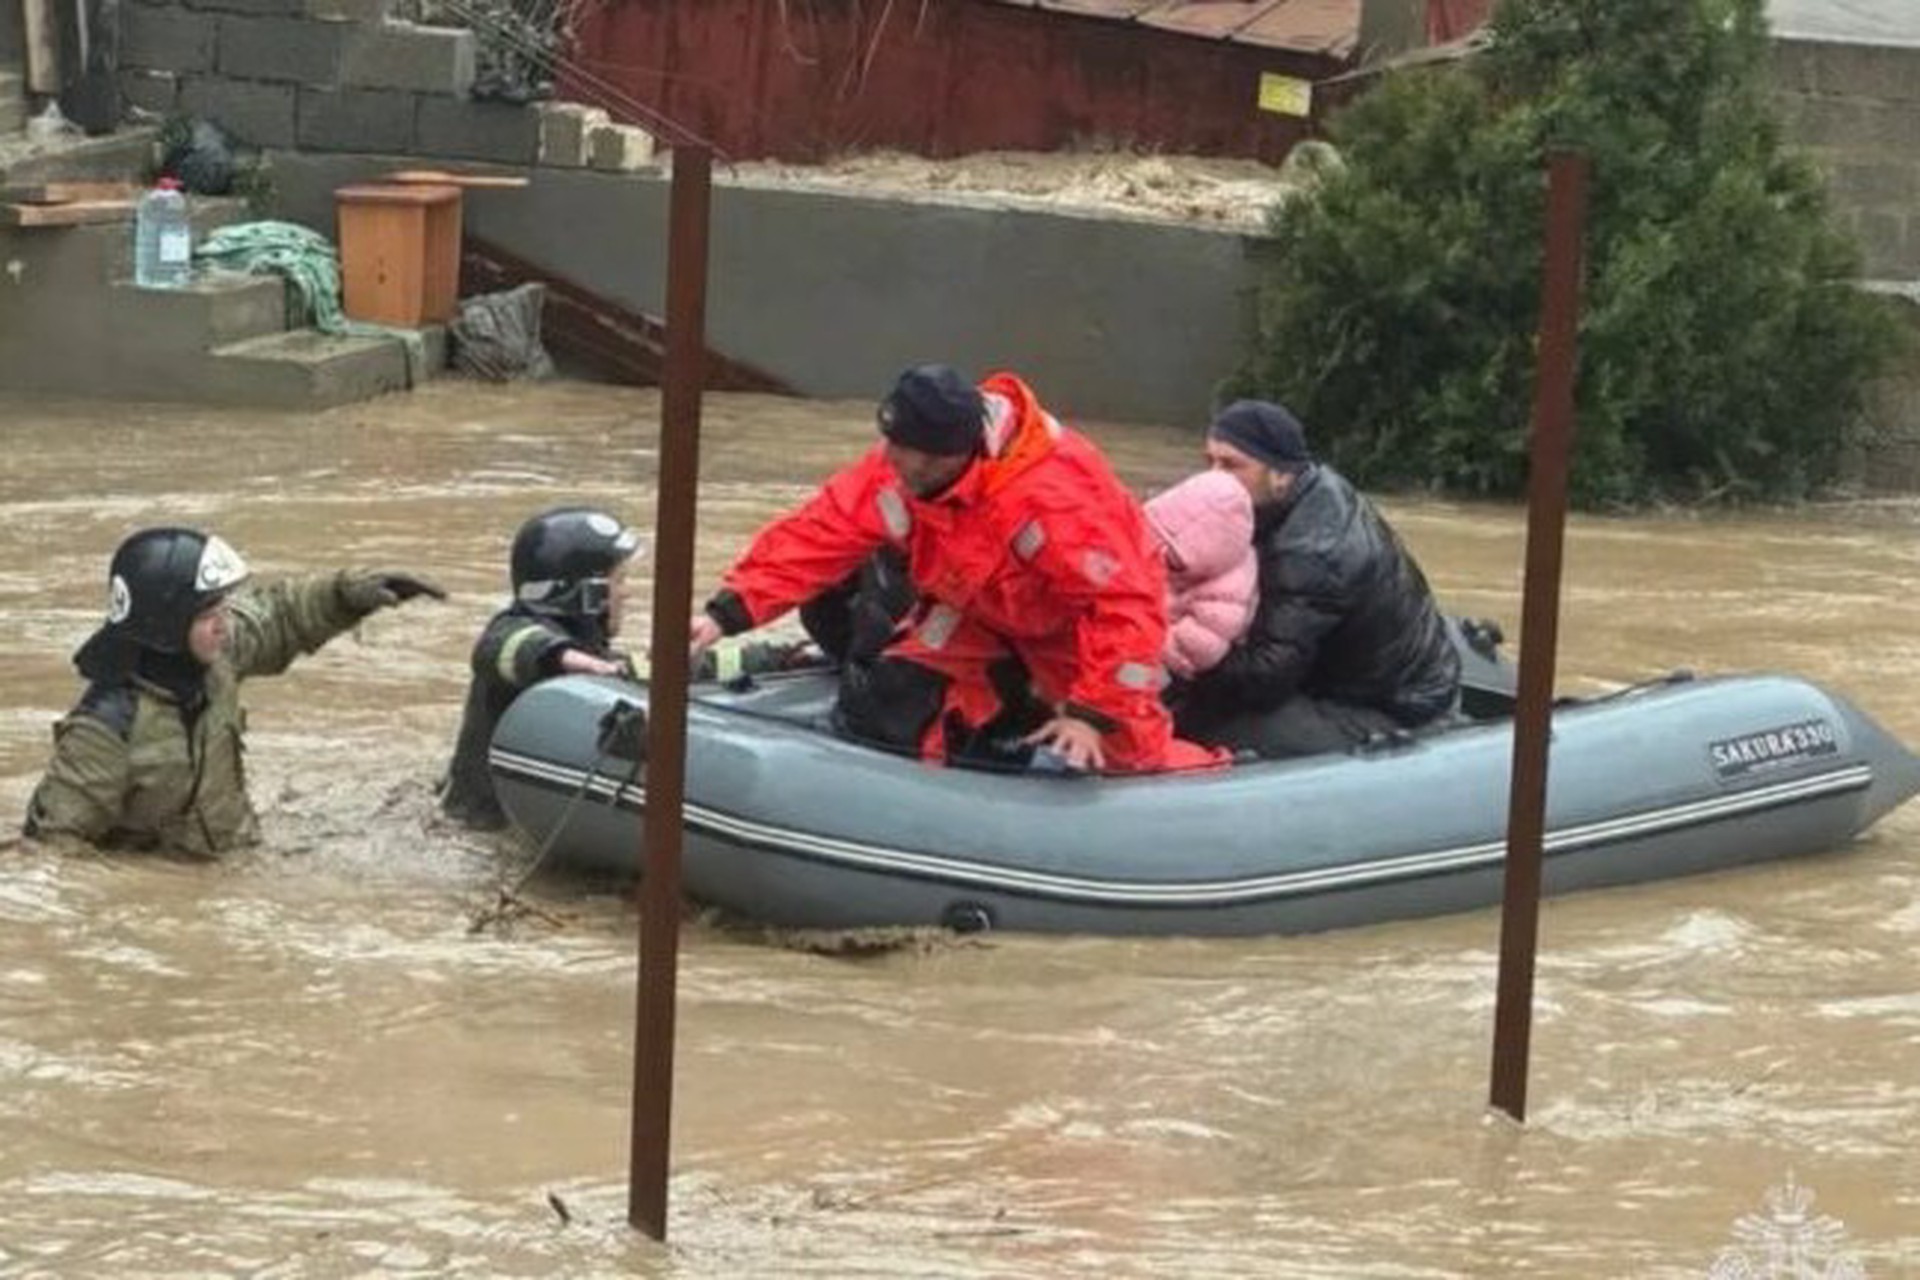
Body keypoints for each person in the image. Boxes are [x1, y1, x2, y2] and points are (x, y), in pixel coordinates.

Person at [689, 364, 1218, 774]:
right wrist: (726, 612)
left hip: (1071, 639)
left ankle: (1218, 774)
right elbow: (822, 531)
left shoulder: (1052, 499)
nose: (888, 458)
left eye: (903, 451)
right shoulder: (905, 466)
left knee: (1124, 758)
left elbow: (1126, 603)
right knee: (893, 696)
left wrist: (1092, 715)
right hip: (976, 616)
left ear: (946, 456)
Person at [22, 527, 444, 855]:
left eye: (222, 607)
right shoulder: (105, 731)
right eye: (208, 613)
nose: (224, 622)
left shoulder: (217, 658)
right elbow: (56, 853)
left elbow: (281, 615)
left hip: (235, 857)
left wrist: (346, 594)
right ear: (165, 624)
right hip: (178, 894)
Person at [1172, 400, 1461, 757]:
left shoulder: (1312, 552)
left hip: (1393, 710)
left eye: (1231, 465)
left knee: (1194, 720)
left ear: (1281, 474)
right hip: (1342, 673)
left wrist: (1177, 658)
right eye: (1210, 463)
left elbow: (1268, 674)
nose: (1214, 479)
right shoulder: (1289, 495)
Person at [440, 506, 642, 830]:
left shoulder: (593, 650)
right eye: (620, 580)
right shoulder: (517, 631)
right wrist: (565, 658)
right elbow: (497, 648)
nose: (627, 592)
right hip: (481, 828)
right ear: (589, 593)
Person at [1143, 470, 1258, 682]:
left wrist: (1138, 633)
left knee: (1120, 680)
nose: (1158, 554)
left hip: (1170, 672)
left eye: (1171, 557)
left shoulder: (1226, 596)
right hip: (1145, 631)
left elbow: (1193, 653)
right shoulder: (1162, 550)